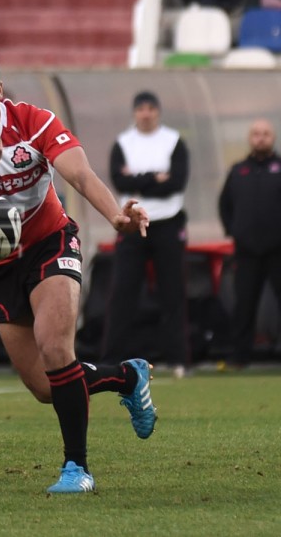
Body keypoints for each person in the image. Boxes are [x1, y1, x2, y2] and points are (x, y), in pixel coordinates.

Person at [0, 45, 157, 493]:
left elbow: (80, 175)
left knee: (55, 348)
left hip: (50, 242)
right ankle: (128, 376)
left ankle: (76, 468)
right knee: (46, 387)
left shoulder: (35, 121)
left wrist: (116, 217)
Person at [103, 91, 190, 376]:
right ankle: (112, 358)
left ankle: (178, 359)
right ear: (134, 113)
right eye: (141, 108)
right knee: (123, 292)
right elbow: (119, 181)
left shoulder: (173, 141)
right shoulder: (123, 142)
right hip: (132, 224)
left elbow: (176, 183)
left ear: (158, 112)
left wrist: (138, 180)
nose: (146, 113)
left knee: (172, 292)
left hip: (167, 222)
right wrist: (155, 177)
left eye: (151, 108)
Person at [219, 118, 281, 369]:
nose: (260, 138)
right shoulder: (238, 171)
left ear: (273, 138)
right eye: (256, 133)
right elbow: (225, 205)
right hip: (246, 251)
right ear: (250, 138)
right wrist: (234, 231)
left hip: (278, 250)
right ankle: (240, 357)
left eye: (265, 133)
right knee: (243, 304)